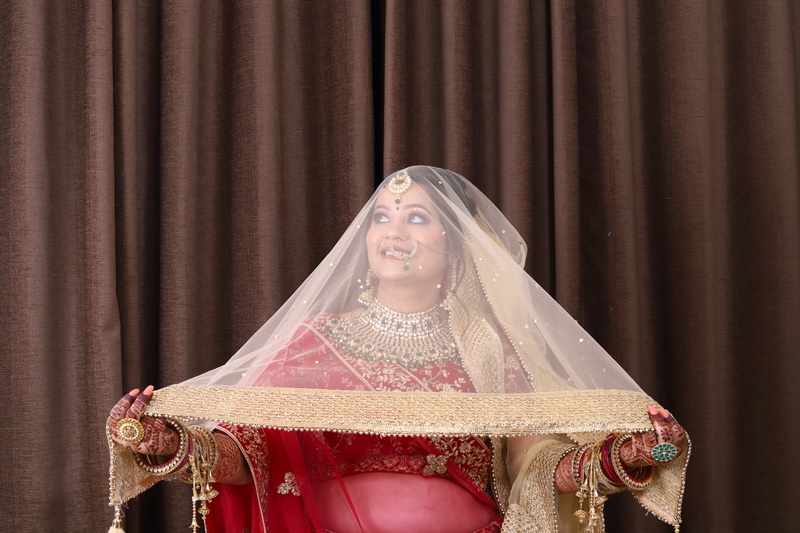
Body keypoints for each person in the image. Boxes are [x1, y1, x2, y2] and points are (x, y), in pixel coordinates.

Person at [107, 166, 689, 533]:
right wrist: (170, 445)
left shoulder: (486, 349)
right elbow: (246, 456)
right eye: (382, 217)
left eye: (416, 218)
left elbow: (534, 467)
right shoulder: (315, 344)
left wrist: (627, 457)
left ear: (455, 248)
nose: (393, 232)